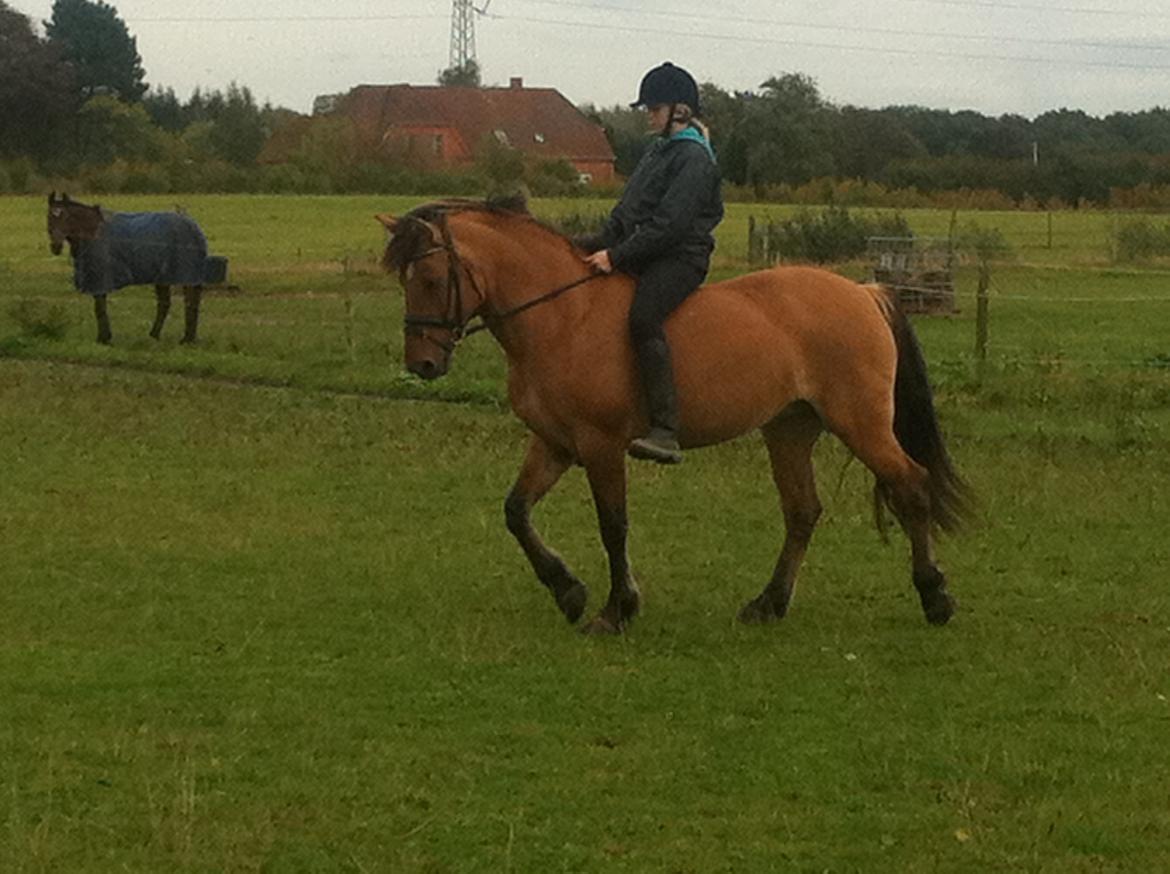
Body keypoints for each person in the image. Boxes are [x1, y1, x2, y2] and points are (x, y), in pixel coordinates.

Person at [576, 61, 724, 465]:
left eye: (654, 108)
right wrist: (592, 243)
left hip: (681, 257)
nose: (648, 115)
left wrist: (617, 256)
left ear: (679, 111)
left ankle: (665, 428)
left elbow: (670, 226)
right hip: (647, 251)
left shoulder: (693, 158)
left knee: (642, 317)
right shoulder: (658, 152)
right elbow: (628, 212)